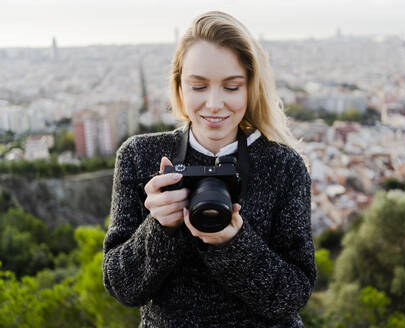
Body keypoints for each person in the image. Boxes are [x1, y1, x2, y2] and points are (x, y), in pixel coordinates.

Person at [103, 11, 316, 328]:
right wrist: (160, 227)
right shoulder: (139, 157)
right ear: (179, 88)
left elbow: (293, 294)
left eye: (231, 87)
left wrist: (234, 243)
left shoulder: (284, 166)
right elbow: (122, 287)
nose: (214, 104)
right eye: (199, 87)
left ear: (250, 88)